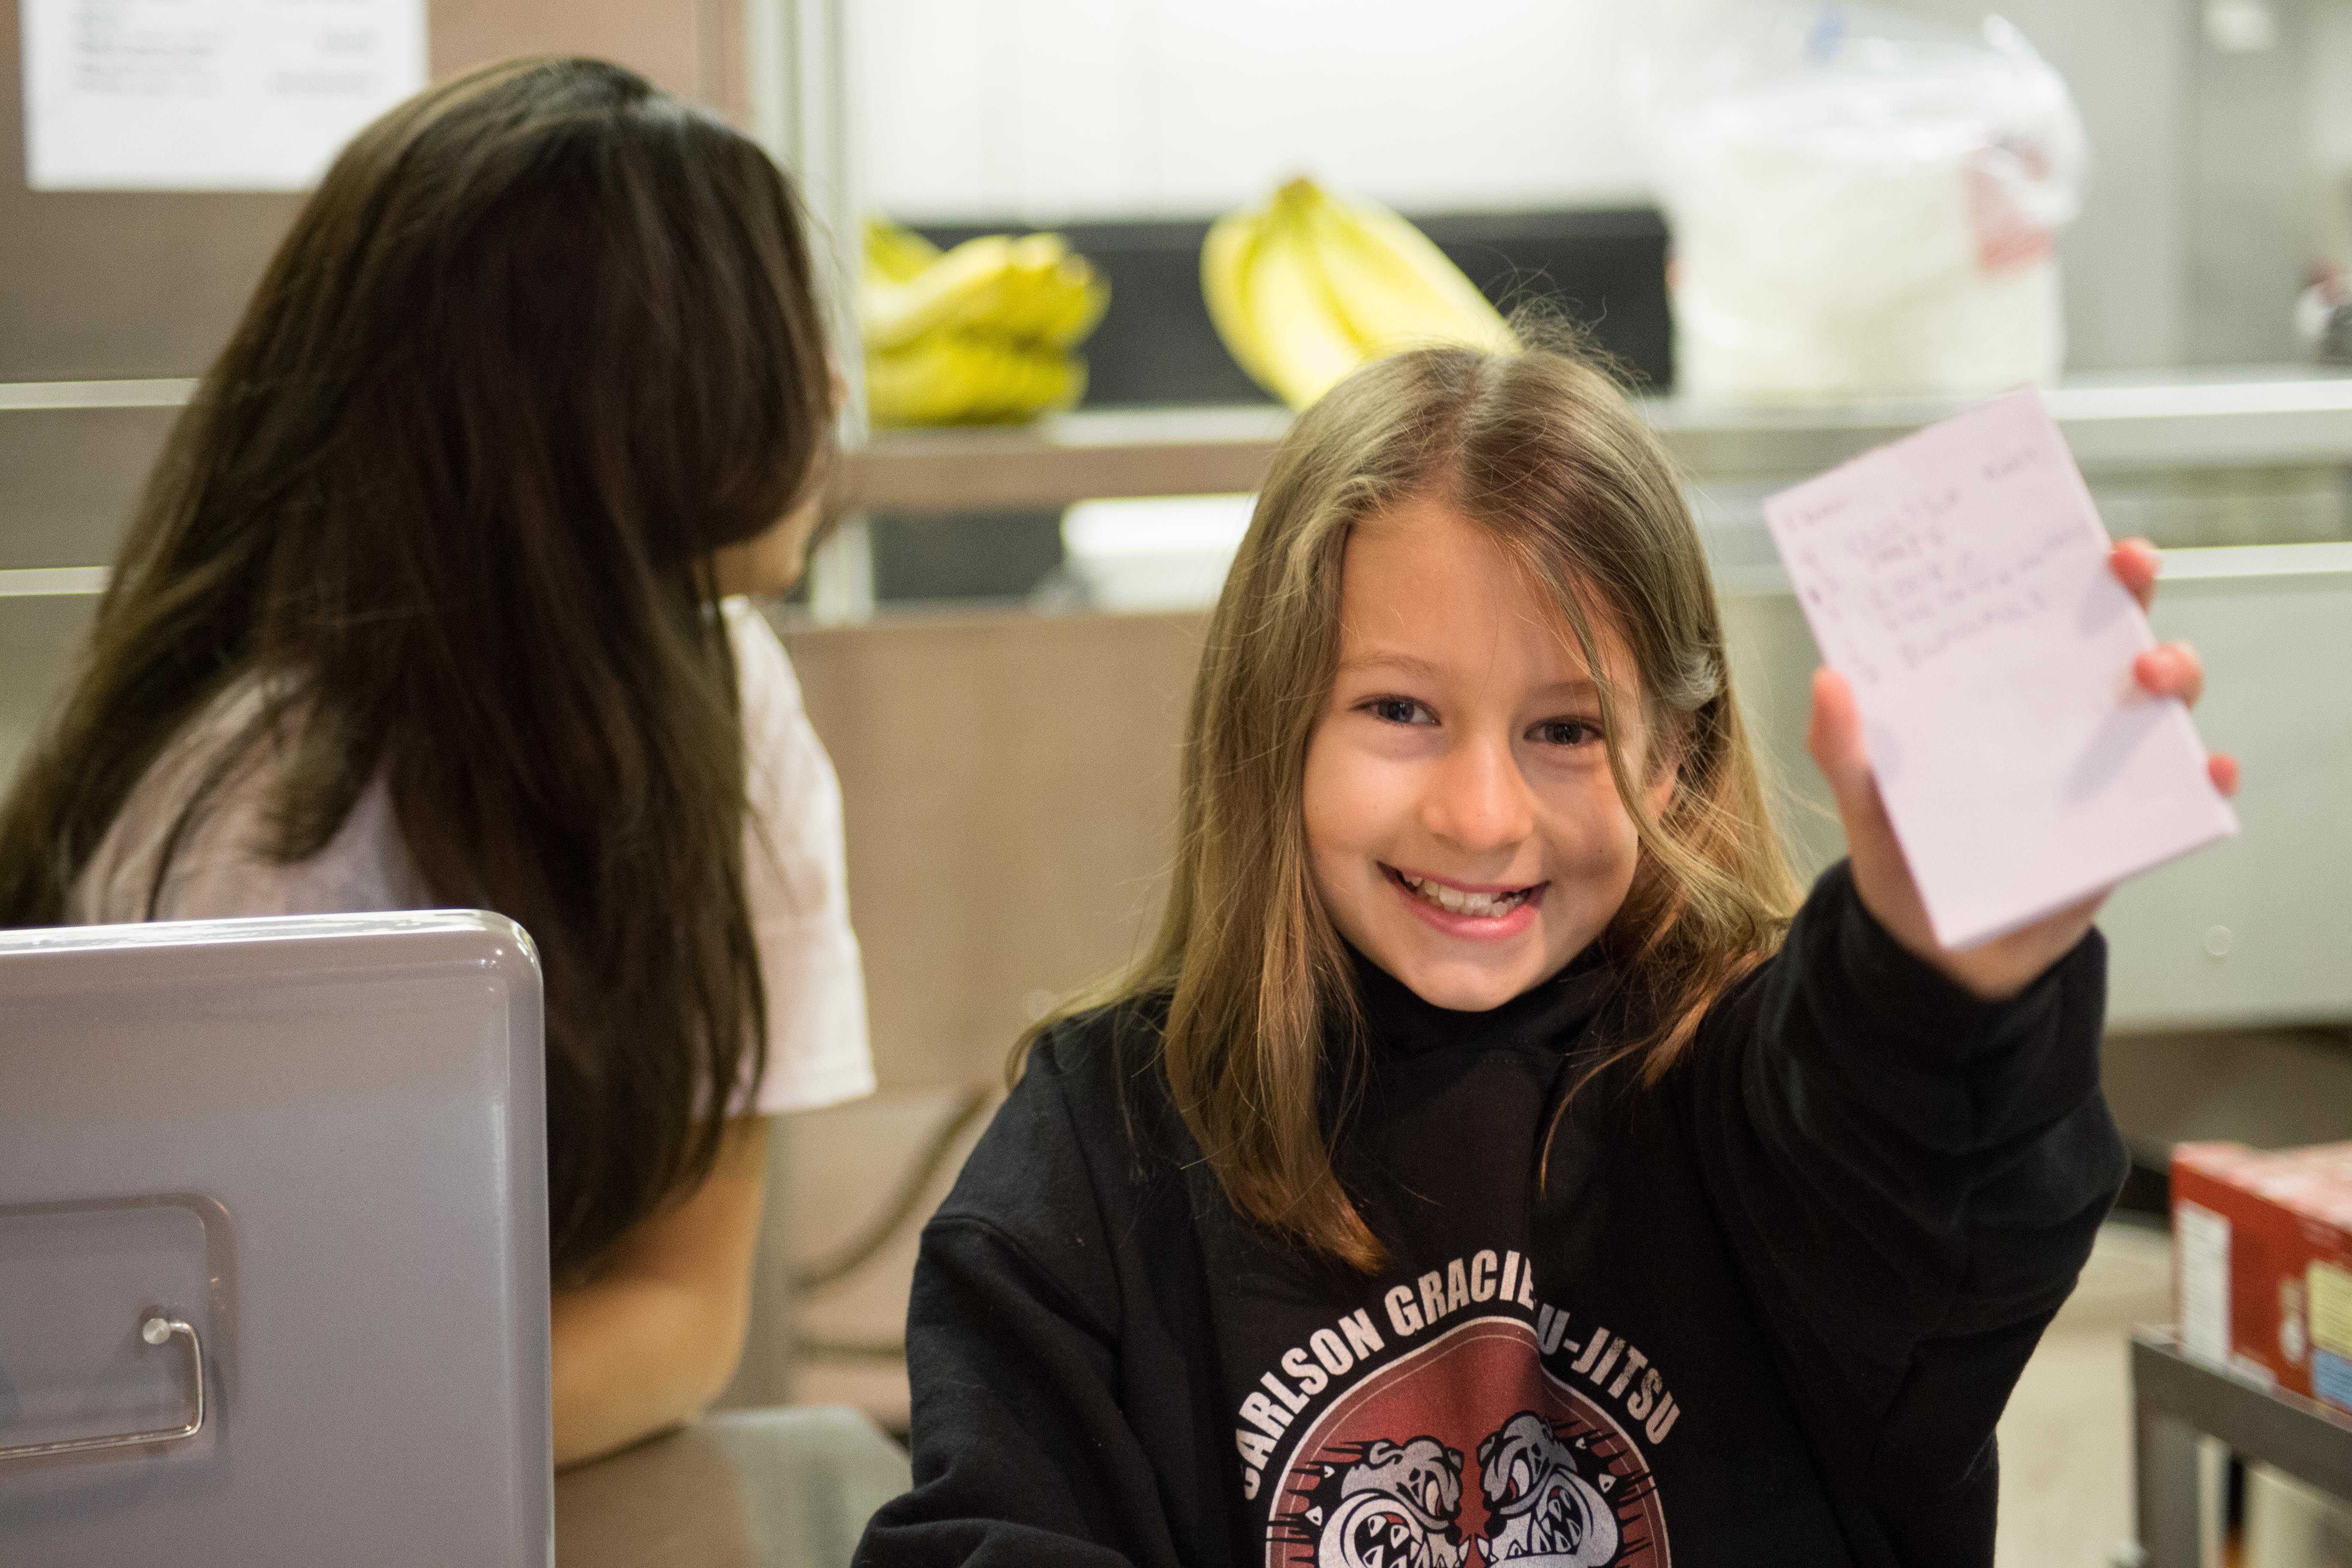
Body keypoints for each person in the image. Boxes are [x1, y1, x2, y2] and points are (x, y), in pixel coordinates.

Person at [856, 344, 2236, 1565]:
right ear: (1271, 720)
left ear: (1675, 755)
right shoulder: (1096, 1151)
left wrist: (1942, 958)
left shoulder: (1751, 1103)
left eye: (1567, 730)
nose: (1481, 816)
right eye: (1400, 710)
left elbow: (1914, 1147)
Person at [0, 58, 871, 1467]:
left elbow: (683, 1308)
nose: (829, 393)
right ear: (604, 413)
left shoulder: (726, 688)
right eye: (764, 345)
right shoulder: (266, 829)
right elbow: (254, 1428)